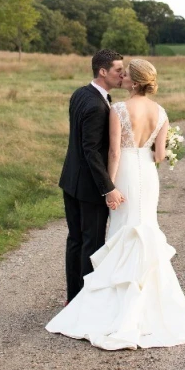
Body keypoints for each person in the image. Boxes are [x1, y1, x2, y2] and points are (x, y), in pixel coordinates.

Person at [46, 58, 185, 350]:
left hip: (125, 174)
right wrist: (152, 146)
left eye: (126, 74)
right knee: (145, 229)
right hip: (147, 177)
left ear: (135, 82)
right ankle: (153, 306)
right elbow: (160, 155)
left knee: (122, 232)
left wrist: (109, 188)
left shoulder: (119, 109)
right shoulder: (161, 112)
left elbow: (114, 153)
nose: (122, 76)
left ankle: (114, 305)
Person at [58, 48, 125, 303]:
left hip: (70, 181)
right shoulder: (98, 106)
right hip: (88, 187)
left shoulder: (80, 93)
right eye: (119, 70)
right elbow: (91, 152)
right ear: (103, 71)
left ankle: (73, 298)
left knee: (75, 240)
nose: (123, 75)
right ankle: (86, 303)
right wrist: (108, 188)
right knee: (92, 244)